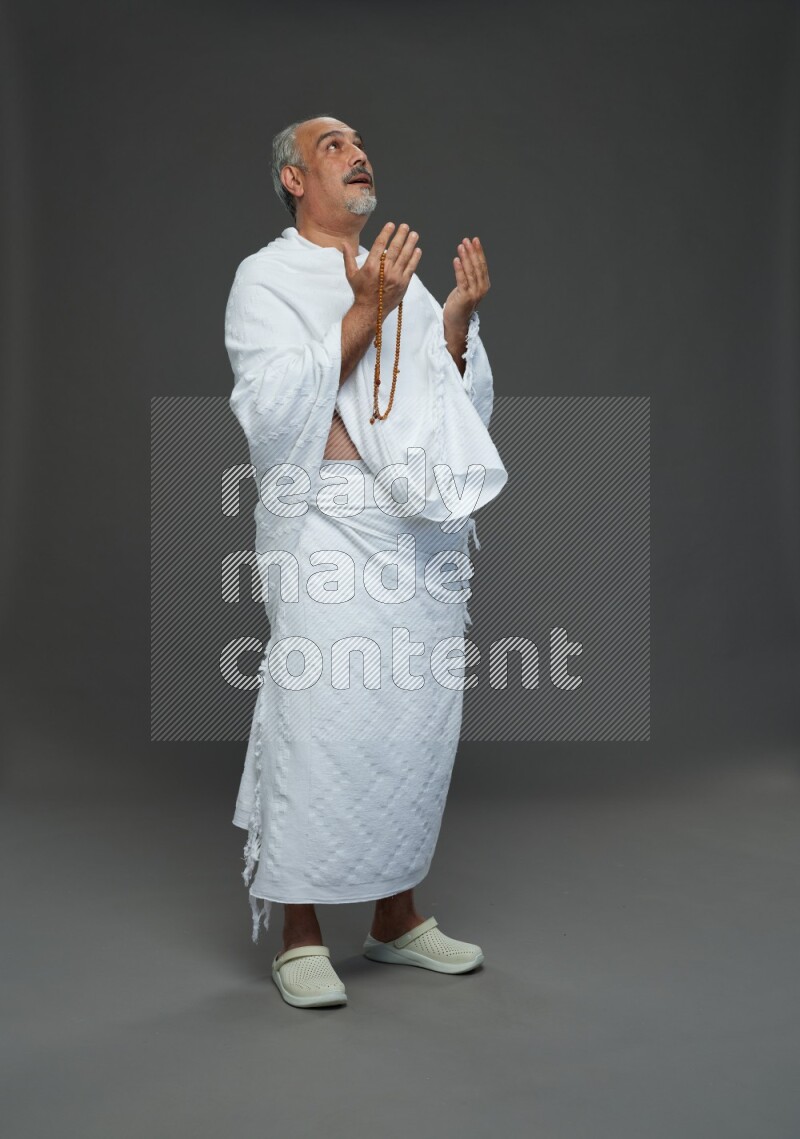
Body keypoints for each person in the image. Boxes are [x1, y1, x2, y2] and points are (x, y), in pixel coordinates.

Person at [224, 114, 508, 1008]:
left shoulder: (410, 283)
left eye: (358, 142)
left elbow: (448, 405)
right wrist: (362, 312)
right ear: (294, 180)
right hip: (328, 527)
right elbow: (269, 409)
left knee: (409, 722)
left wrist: (452, 322)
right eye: (333, 145)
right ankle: (300, 929)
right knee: (319, 714)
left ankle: (393, 917)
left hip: (414, 538)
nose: (357, 153)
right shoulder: (264, 279)